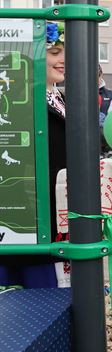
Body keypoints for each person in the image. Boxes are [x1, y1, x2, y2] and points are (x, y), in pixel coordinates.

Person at [0, 22, 68, 288]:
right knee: (37, 292)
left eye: (65, 52)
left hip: (59, 207)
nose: (63, 60)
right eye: (55, 52)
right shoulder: (23, 99)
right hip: (33, 213)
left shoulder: (60, 97)